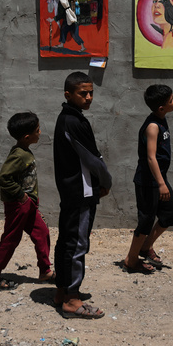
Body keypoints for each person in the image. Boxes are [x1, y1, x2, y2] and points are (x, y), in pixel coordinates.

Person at [52, 72, 111, 318]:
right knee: (77, 244)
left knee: (66, 240)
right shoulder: (74, 122)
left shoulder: (68, 118)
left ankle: (62, 291)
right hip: (81, 191)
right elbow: (92, 159)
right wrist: (106, 181)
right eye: (82, 93)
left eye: (91, 93)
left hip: (71, 190)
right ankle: (73, 299)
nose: (88, 98)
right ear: (68, 95)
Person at [0, 112, 55, 289]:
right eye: (37, 130)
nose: (40, 132)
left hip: (28, 205)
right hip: (18, 205)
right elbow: (4, 177)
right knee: (11, 238)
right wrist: (21, 195)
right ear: (27, 137)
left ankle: (45, 270)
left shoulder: (24, 151)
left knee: (42, 232)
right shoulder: (19, 155)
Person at [122, 84, 173, 273]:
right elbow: (150, 157)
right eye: (171, 99)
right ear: (161, 108)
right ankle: (131, 260)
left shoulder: (162, 119)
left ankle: (146, 247)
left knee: (171, 213)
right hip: (148, 182)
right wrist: (161, 183)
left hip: (159, 179)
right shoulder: (153, 126)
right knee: (146, 220)